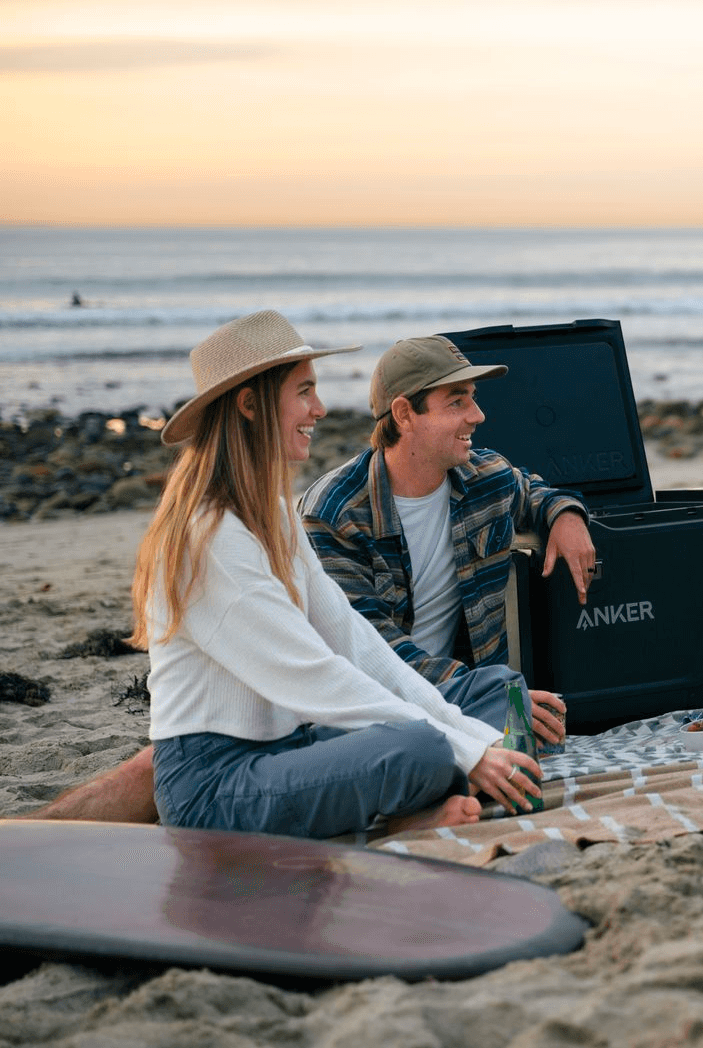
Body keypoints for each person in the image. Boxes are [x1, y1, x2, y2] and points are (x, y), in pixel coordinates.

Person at [41, 311, 559, 837]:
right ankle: (400, 821)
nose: (321, 408)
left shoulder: (272, 516)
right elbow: (312, 674)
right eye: (305, 391)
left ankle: (415, 803)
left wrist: (471, 736)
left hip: (289, 749)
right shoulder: (210, 537)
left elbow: (356, 642)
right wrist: (465, 748)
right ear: (251, 405)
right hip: (215, 785)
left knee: (489, 702)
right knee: (421, 748)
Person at [298, 335, 596, 727]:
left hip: (472, 710)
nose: (477, 415)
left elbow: (532, 490)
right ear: (404, 414)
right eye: (457, 402)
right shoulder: (335, 514)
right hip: (374, 719)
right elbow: (370, 650)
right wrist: (491, 696)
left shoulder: (486, 478)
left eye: (472, 397)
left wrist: (566, 516)